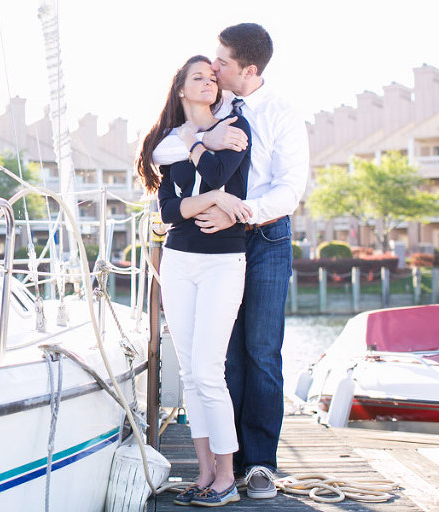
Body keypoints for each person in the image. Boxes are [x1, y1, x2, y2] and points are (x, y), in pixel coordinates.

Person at [159, 24, 310, 499]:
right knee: (222, 357)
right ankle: (233, 461)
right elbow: (167, 147)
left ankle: (260, 463)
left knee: (261, 350)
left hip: (264, 235)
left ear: (248, 68)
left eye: (221, 62)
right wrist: (201, 157)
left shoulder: (282, 114)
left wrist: (241, 213)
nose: (214, 68)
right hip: (214, 243)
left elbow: (290, 188)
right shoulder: (216, 108)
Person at [136, 55, 252, 507]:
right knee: (188, 371)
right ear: (181, 89)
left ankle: (226, 476)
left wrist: (201, 153)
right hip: (179, 261)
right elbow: (168, 210)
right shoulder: (172, 140)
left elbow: (224, 174)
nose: (208, 82)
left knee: (208, 370)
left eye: (211, 77)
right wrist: (213, 194)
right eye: (197, 78)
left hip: (223, 260)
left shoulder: (234, 125)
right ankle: (204, 474)